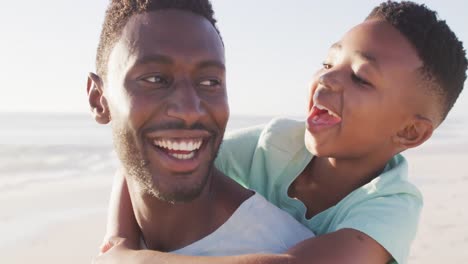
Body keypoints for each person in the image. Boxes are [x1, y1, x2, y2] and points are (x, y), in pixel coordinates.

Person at [96, 1, 467, 264]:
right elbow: (162, 155)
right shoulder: (276, 145)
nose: (327, 79)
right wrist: (120, 240)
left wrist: (137, 262)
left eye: (360, 78)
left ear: (410, 132)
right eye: (328, 62)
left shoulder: (391, 201)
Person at [86, 0, 315, 259]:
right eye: (154, 79)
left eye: (209, 81)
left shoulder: (276, 247)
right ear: (99, 100)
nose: (189, 110)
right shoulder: (125, 238)